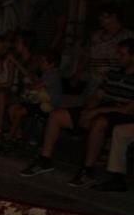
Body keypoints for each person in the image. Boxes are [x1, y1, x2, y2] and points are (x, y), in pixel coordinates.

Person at [21, 38, 134, 186]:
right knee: (57, 115)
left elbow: (128, 109)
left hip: (122, 114)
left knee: (99, 122)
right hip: (103, 108)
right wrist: (89, 109)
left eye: (122, 54)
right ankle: (45, 159)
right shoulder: (113, 73)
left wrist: (95, 112)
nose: (118, 57)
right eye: (117, 53)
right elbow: (98, 95)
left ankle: (87, 170)